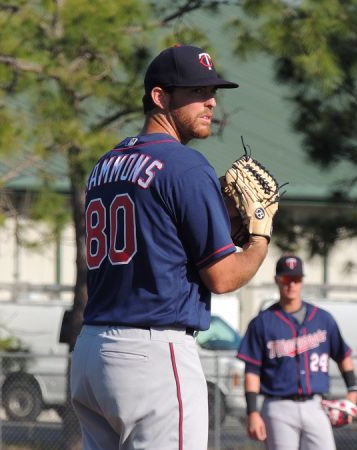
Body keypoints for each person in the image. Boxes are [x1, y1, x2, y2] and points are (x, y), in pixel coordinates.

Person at [70, 44, 270, 450]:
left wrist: (223, 225)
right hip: (152, 356)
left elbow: (160, 245)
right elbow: (223, 277)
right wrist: (261, 232)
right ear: (160, 97)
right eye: (196, 91)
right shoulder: (185, 165)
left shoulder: (104, 165)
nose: (210, 101)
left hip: (92, 351)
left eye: (211, 91)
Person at [236, 255, 357, 450]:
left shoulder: (323, 319)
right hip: (278, 407)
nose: (291, 284)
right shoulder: (262, 322)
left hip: (316, 405)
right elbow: (252, 371)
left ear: (302, 281)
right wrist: (252, 412)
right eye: (286, 279)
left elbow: (343, 355)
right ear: (277, 281)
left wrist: (352, 392)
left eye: (296, 279)